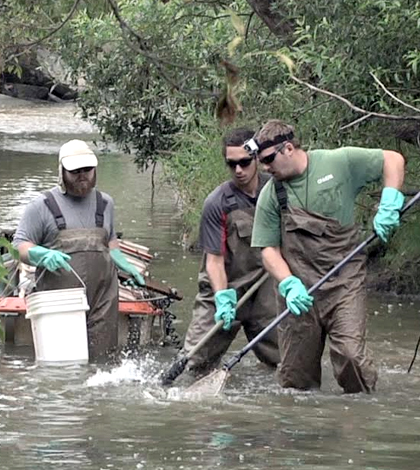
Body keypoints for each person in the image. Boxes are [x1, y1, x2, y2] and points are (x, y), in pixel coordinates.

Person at [250, 119, 405, 393]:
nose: (264, 168)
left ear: (288, 148)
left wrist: (389, 202)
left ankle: (359, 418)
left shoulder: (339, 162)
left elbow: (392, 160)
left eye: (268, 159)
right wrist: (288, 283)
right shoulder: (271, 194)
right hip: (299, 292)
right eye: (261, 162)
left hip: (345, 282)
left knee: (350, 357)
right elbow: (268, 250)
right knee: (295, 380)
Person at [13, 139, 145, 360]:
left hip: (103, 301)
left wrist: (126, 266)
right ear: (62, 172)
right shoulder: (41, 206)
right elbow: (18, 246)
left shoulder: (106, 203)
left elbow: (110, 243)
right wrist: (41, 254)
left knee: (103, 363)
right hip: (59, 304)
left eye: (87, 169)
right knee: (62, 367)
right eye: (75, 171)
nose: (82, 175)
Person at [182, 128, 280, 376]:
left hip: (264, 289)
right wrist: (223, 298)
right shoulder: (217, 202)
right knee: (195, 362)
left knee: (282, 363)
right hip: (223, 288)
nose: (239, 170)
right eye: (232, 164)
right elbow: (214, 261)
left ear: (257, 159)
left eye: (245, 162)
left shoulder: (278, 192)